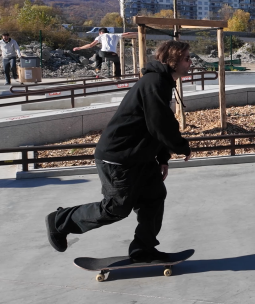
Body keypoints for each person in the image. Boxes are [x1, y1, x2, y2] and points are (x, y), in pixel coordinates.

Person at [45, 40, 193, 262]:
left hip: (139, 157)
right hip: (119, 158)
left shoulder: (161, 82)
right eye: (186, 59)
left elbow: (156, 123)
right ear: (173, 60)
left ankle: (142, 248)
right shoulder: (155, 82)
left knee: (154, 196)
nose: (190, 63)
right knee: (116, 208)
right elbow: (160, 124)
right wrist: (181, 147)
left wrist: (162, 157)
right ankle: (60, 221)